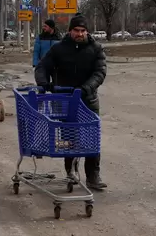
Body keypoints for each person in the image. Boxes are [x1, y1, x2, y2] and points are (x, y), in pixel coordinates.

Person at [34, 14, 108, 190]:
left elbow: (100, 73)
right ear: (70, 31)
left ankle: (93, 176)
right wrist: (44, 83)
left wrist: (86, 88)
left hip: (87, 99)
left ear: (87, 31)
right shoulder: (59, 49)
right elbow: (42, 67)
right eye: (76, 30)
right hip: (66, 100)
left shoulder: (96, 49)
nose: (80, 34)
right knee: (69, 136)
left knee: (92, 138)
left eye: (83, 31)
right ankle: (70, 171)